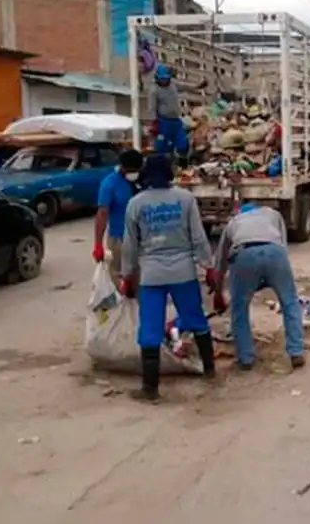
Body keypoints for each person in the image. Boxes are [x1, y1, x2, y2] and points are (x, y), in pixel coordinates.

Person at [119, 154, 217, 403]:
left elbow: (130, 246)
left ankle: (150, 389)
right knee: (196, 320)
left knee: (150, 329)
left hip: (151, 275)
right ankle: (210, 371)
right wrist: (209, 266)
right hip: (183, 272)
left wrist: (126, 275)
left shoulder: (136, 204)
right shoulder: (185, 199)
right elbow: (198, 237)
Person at [211, 202, 305, 371]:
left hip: (244, 254)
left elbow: (220, 264)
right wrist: (272, 276)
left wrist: (218, 292)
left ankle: (245, 358)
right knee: (290, 302)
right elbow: (282, 244)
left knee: (239, 308)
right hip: (275, 252)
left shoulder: (234, 222)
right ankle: (296, 351)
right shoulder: (272, 214)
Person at [93, 149, 144, 281]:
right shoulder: (110, 183)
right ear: (122, 167)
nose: (132, 173)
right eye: (130, 170)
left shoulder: (144, 180)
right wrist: (98, 244)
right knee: (120, 277)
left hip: (144, 238)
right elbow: (102, 213)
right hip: (120, 238)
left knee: (143, 278)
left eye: (135, 170)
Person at [148, 64, 207, 161]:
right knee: (162, 146)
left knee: (183, 143)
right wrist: (154, 122)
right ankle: (166, 162)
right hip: (163, 121)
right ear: (157, 78)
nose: (164, 81)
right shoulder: (154, 90)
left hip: (176, 121)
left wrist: (197, 86)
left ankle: (183, 162)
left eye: (166, 79)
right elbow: (152, 107)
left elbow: (185, 86)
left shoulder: (173, 84)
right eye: (162, 79)